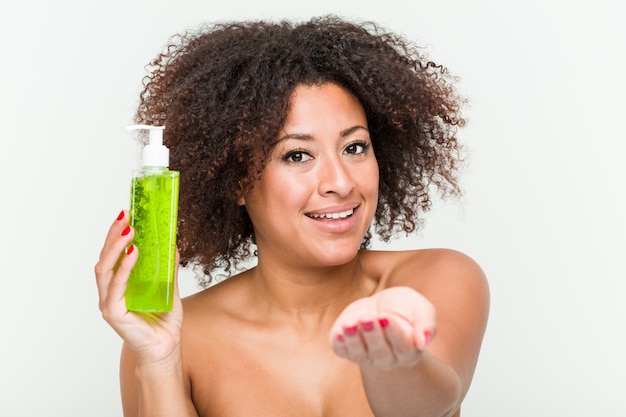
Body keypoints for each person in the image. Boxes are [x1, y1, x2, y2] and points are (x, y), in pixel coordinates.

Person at [95, 14, 489, 417]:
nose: (340, 182)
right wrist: (160, 362)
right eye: (297, 155)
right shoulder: (179, 338)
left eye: (354, 147)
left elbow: (433, 404)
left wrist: (393, 356)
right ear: (237, 183)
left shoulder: (438, 279)